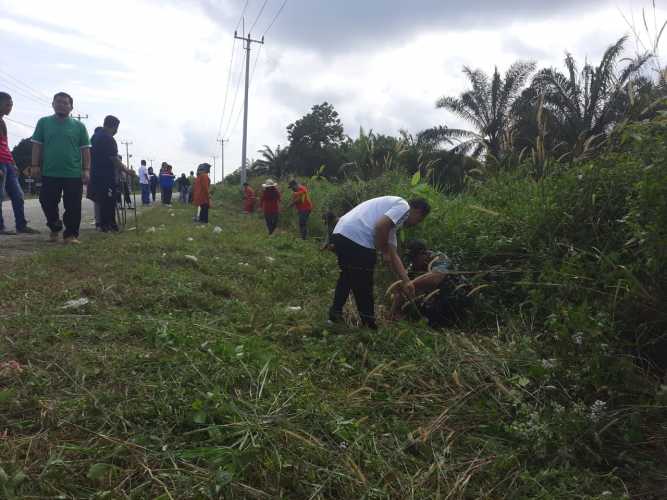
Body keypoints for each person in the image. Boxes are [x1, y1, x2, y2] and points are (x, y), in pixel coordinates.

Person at [328, 196, 431, 329]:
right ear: (417, 210)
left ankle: (334, 316)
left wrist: (406, 281)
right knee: (364, 284)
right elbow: (380, 227)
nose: (417, 223)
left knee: (346, 278)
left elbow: (393, 255)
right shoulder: (403, 206)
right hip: (357, 237)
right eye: (420, 219)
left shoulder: (392, 224)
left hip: (341, 233)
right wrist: (383, 251)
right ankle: (369, 325)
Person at [31, 92, 91, 244]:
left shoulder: (79, 126)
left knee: (73, 205)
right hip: (50, 171)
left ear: (71, 107)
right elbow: (37, 145)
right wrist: (35, 165)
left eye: (65, 103)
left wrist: (86, 169)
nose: (61, 105)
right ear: (52, 104)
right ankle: (54, 225)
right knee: (46, 200)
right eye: (58, 102)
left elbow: (85, 150)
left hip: (73, 173)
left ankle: (70, 235)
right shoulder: (43, 123)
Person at [0, 92, 39, 235]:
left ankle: (21, 225)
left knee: (18, 195)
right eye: (7, 104)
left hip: (8, 163)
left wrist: (14, 163)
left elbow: (5, 145)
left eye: (11, 105)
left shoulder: (2, 122)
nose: (10, 107)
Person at [90, 115, 131, 232]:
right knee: (108, 200)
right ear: (114, 127)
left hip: (95, 173)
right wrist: (127, 171)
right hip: (105, 175)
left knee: (103, 199)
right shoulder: (108, 138)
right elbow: (114, 159)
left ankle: (109, 224)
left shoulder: (95, 137)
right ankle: (107, 226)